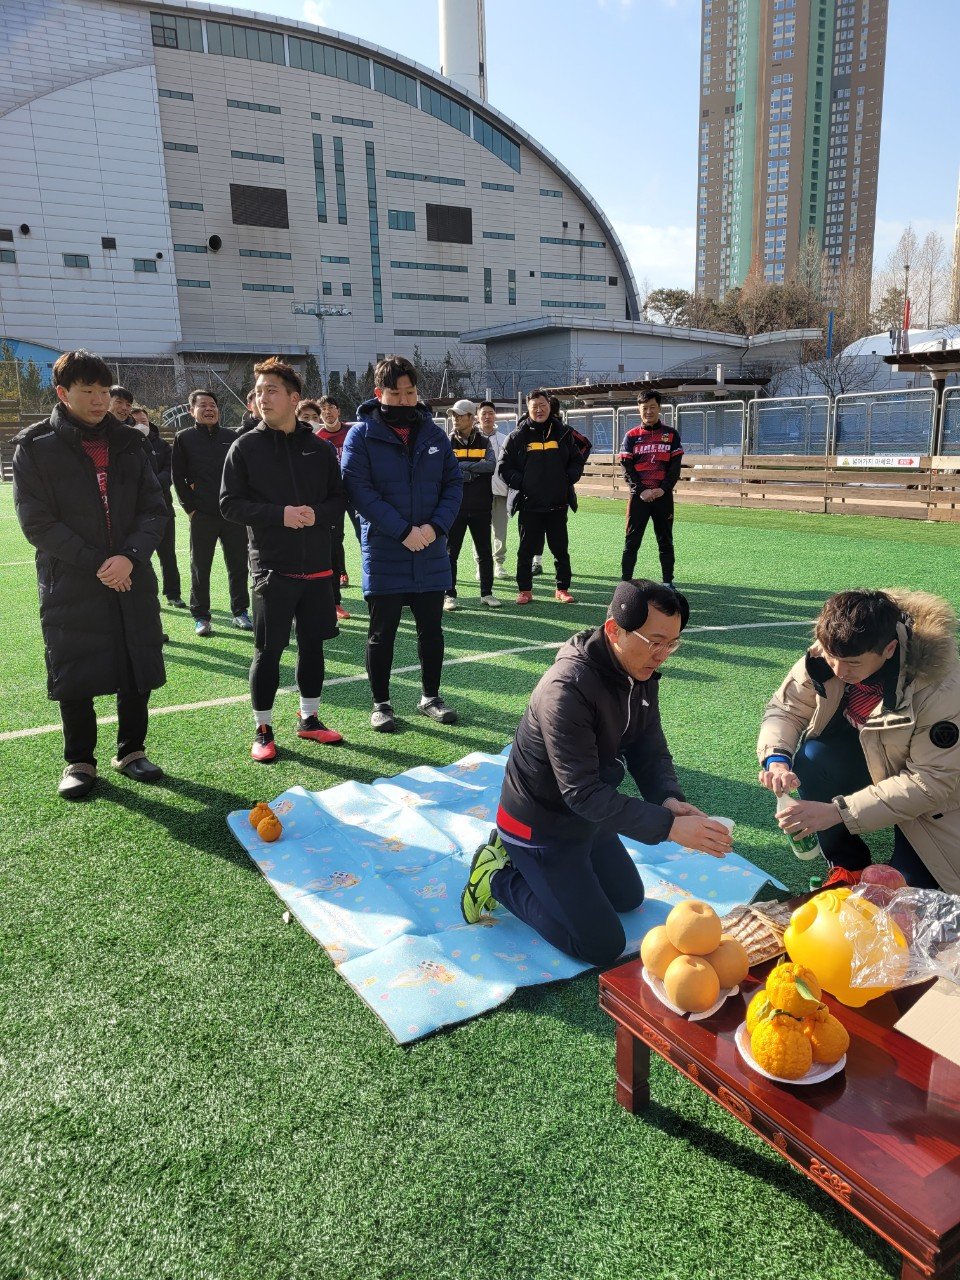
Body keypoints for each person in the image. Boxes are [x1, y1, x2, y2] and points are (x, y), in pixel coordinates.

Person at [459, 580, 732, 963]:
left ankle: (555, 874)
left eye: (672, 644)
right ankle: (499, 877)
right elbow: (581, 792)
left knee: (629, 898)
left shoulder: (637, 671)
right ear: (614, 630)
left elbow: (648, 747)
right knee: (601, 945)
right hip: (540, 825)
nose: (663, 655)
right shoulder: (567, 689)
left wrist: (669, 800)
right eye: (655, 642)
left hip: (587, 816)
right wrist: (669, 827)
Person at [12, 350, 169, 799]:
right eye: (88, 391)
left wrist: (130, 557)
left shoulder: (130, 442)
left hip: (131, 572)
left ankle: (132, 750)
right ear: (63, 393)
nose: (100, 400)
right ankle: (80, 760)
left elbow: (155, 509)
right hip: (72, 577)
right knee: (74, 666)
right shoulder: (35, 446)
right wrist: (99, 563)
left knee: (135, 659)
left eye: (104, 390)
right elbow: (37, 522)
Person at [758, 589, 960, 893]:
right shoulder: (831, 649)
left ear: (889, 649)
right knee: (813, 760)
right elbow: (786, 709)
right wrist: (776, 760)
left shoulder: (939, 686)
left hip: (934, 791)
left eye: (853, 663)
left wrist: (837, 812)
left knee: (907, 891)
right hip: (871, 755)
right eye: (833, 659)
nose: (839, 671)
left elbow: (931, 782)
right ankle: (847, 863)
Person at [221, 357, 347, 763]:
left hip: (318, 569)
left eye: (271, 390)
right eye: (258, 392)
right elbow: (229, 504)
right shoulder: (245, 447)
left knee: (313, 647)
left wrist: (317, 514)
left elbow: (339, 500)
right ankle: (263, 729)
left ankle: (309, 719)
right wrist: (281, 515)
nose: (262, 398)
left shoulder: (320, 449)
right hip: (272, 569)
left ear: (294, 398)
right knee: (268, 650)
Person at [341, 354, 463, 733]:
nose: (404, 400)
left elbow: (453, 484)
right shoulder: (361, 435)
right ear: (379, 394)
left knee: (432, 631)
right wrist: (403, 531)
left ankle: (431, 697)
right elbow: (358, 490)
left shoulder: (434, 434)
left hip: (430, 549)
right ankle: (381, 703)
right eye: (395, 394)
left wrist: (435, 527)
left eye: (410, 393)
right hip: (386, 550)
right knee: (382, 634)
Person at [172, 389, 251, 636]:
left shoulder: (231, 436)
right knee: (200, 566)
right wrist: (190, 509)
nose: (209, 409)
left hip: (232, 514)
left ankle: (240, 611)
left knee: (238, 565)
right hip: (202, 514)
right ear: (191, 410)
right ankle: (201, 616)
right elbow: (178, 477)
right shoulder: (184, 438)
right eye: (203, 405)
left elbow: (242, 473)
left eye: (213, 405)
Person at [498, 388, 584, 605]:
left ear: (549, 406)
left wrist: (568, 478)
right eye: (534, 406)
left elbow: (577, 460)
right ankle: (525, 590)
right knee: (526, 551)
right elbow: (503, 466)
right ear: (528, 409)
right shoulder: (517, 436)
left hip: (557, 504)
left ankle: (562, 588)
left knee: (560, 550)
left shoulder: (563, 433)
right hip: (530, 505)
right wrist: (522, 483)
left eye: (543, 405)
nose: (539, 410)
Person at [618, 390, 684, 589]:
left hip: (662, 497)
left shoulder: (671, 435)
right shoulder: (631, 436)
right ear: (638, 409)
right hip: (639, 498)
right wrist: (641, 490)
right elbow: (626, 468)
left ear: (659, 408)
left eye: (652, 407)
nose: (648, 411)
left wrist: (663, 489)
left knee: (665, 541)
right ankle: (625, 583)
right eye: (644, 408)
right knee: (631, 541)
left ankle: (668, 583)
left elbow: (675, 467)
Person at [444, 399, 500, 611]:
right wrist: (474, 468)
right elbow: (446, 468)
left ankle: (486, 593)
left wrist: (463, 467)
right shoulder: (448, 441)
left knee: (484, 552)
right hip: (455, 507)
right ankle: (449, 595)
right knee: (451, 553)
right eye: (453, 416)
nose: (455, 419)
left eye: (459, 415)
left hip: (481, 506)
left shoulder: (484, 441)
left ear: (471, 417)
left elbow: (491, 466)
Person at [302, 395, 355, 619]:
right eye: (306, 417)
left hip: (347, 496)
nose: (326, 413)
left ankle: (337, 598)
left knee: (348, 540)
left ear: (338, 411)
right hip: (311, 505)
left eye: (330, 408)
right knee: (318, 548)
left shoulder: (346, 435)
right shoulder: (305, 440)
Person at [131, 406, 185, 609]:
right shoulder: (126, 444)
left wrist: (151, 484)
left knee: (168, 554)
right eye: (136, 422)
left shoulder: (162, 445)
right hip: (135, 512)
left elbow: (170, 470)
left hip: (163, 509)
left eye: (144, 421)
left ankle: (173, 593)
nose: (141, 424)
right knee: (137, 555)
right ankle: (139, 596)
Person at [472, 401, 511, 581]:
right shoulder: (471, 439)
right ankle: (480, 565)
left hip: (500, 492)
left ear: (495, 416)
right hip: (478, 493)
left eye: (490, 413)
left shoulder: (505, 439)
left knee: (500, 530)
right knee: (479, 531)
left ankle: (499, 564)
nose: (487, 417)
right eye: (484, 413)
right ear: (477, 417)